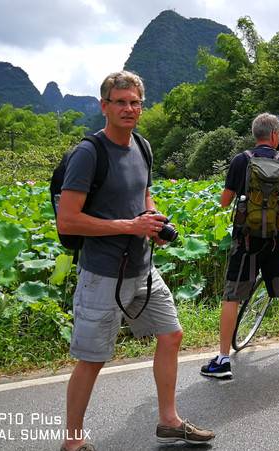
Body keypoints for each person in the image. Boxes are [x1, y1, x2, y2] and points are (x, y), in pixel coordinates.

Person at [57, 71, 214, 450]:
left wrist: (154, 221)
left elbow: (145, 196)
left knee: (171, 335)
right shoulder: (88, 154)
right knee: (92, 359)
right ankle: (73, 441)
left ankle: (169, 420)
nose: (128, 109)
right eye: (120, 102)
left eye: (135, 102)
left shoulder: (142, 147)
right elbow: (69, 218)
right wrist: (130, 226)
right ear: (104, 106)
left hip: (143, 269)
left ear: (141, 107)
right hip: (102, 274)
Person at [200, 113, 279, 380]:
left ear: (256, 134)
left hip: (246, 238)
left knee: (232, 296)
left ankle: (223, 360)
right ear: (274, 135)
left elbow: (225, 201)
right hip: (277, 237)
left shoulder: (240, 160)